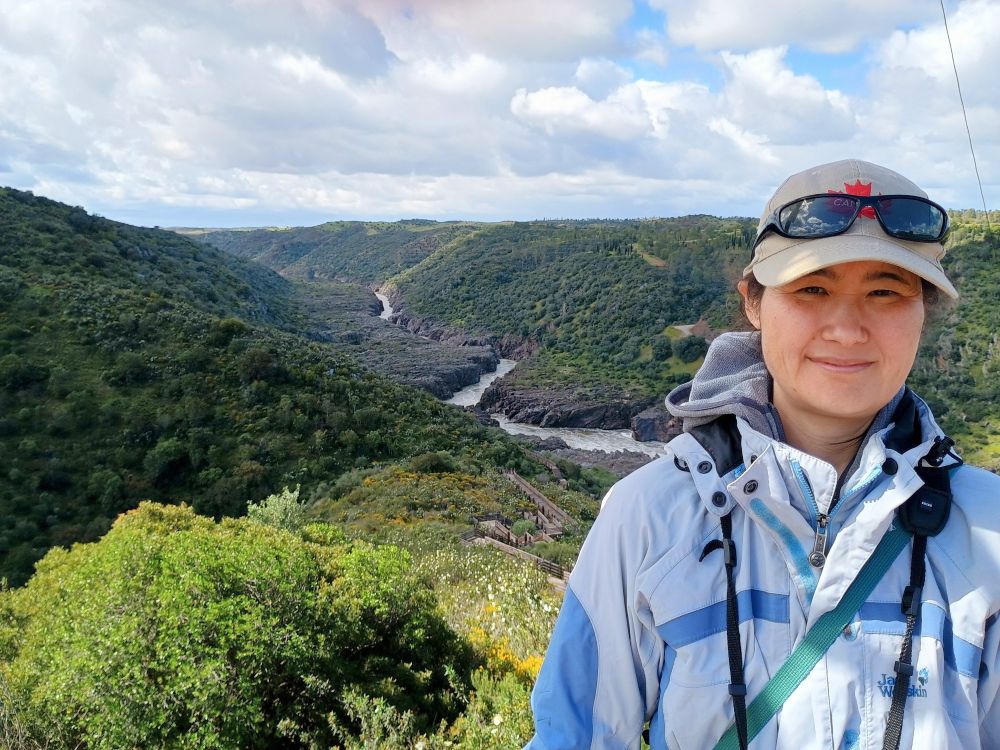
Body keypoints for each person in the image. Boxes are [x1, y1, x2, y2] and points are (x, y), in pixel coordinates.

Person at [525, 159, 1000, 749]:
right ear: (754, 303)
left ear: (921, 312)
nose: (847, 329)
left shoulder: (989, 533)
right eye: (812, 289)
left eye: (885, 291)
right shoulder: (645, 519)